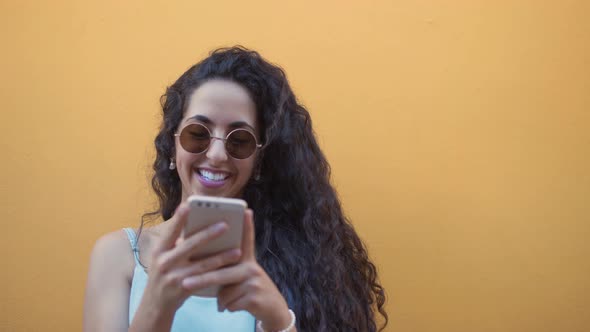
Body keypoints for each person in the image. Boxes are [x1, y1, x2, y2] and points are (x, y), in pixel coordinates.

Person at [83, 46, 388, 332]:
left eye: (239, 140)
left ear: (257, 162)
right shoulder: (120, 255)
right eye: (197, 134)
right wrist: (158, 304)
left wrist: (279, 319)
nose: (216, 154)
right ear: (173, 145)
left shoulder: (290, 268)